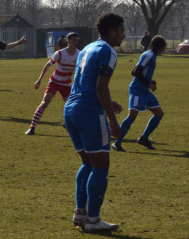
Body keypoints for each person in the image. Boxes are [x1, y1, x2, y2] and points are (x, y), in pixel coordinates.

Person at [64, 12, 124, 232]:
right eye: (121, 31)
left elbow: (86, 82)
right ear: (111, 31)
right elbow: (100, 87)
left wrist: (109, 101)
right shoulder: (108, 51)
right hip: (89, 112)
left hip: (71, 109)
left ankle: (81, 214)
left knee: (87, 163)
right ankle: (93, 220)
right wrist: (113, 121)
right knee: (100, 166)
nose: (123, 35)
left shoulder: (87, 48)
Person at [112, 35, 166, 152]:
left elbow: (143, 73)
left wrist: (150, 82)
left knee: (159, 114)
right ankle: (117, 142)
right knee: (132, 116)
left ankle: (144, 138)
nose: (164, 49)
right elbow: (135, 71)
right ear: (159, 46)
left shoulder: (153, 56)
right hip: (137, 89)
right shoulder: (148, 55)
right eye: (163, 47)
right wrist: (148, 83)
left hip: (144, 90)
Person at [25, 32, 80, 135]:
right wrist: (39, 79)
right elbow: (48, 66)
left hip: (67, 85)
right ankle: (32, 128)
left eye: (77, 40)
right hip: (54, 82)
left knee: (73, 106)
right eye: (74, 40)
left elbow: (82, 70)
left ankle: (66, 122)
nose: (76, 42)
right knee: (45, 103)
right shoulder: (59, 53)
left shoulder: (80, 54)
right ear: (68, 42)